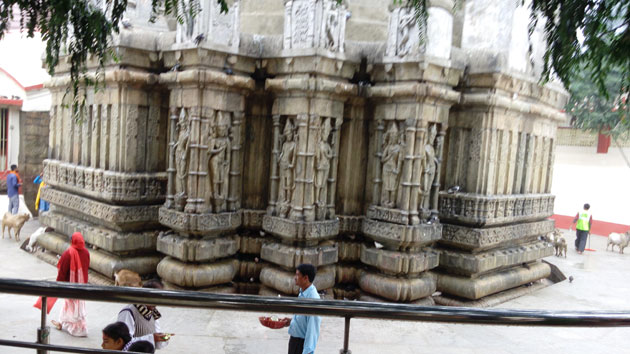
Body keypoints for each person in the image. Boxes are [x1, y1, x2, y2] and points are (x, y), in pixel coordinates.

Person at [51, 232, 90, 336]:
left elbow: (62, 272)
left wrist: (58, 285)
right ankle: (61, 322)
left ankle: (77, 329)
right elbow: (86, 268)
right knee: (72, 305)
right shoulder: (86, 252)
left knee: (72, 308)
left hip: (70, 285)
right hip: (82, 285)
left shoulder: (68, 254)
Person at [117, 279, 172, 350]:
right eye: (155, 298)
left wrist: (162, 338)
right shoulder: (128, 312)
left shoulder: (152, 313)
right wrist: (152, 338)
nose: (157, 302)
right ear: (146, 295)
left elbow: (156, 341)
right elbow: (124, 344)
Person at [285, 264, 321, 354]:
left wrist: (308, 351)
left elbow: (312, 328)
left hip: (301, 344)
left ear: (305, 278)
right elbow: (303, 319)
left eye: (297, 275)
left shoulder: (312, 298)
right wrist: (291, 321)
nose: (295, 277)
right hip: (295, 341)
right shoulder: (303, 292)